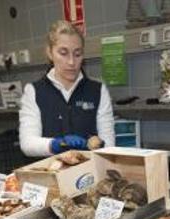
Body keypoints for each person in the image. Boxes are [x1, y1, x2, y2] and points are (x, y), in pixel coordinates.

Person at [19, 20, 115, 157]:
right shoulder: (34, 91)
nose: (71, 62)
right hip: (50, 172)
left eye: (77, 54)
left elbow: (109, 145)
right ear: (50, 53)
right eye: (63, 53)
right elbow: (27, 144)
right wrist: (55, 144)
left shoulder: (98, 90)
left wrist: (99, 145)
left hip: (88, 173)